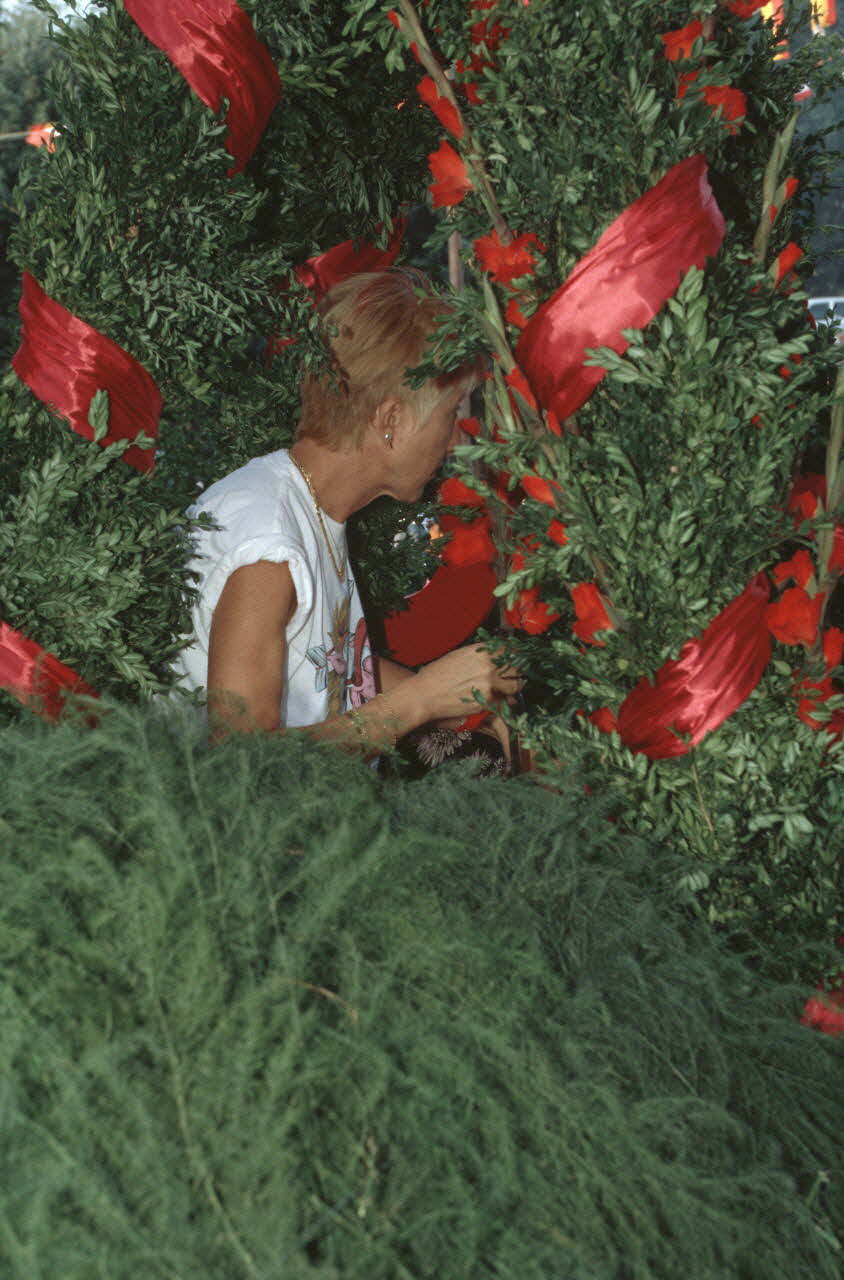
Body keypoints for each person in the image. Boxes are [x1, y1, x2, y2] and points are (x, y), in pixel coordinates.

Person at [173, 269, 522, 757]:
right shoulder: (268, 551)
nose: (456, 438)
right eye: (449, 416)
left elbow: (330, 663)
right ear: (391, 420)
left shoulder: (312, 507)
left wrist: (461, 703)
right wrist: (419, 701)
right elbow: (243, 764)